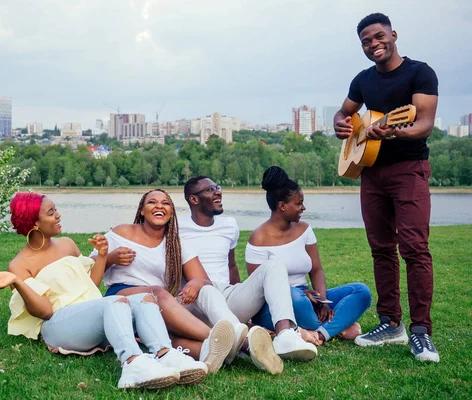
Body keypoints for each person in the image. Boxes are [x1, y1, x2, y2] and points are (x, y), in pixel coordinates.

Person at [0, 192, 207, 390]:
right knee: (114, 302)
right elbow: (45, 312)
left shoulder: (67, 243)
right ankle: (132, 364)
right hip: (58, 326)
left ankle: (166, 354)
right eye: (51, 213)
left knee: (144, 299)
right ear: (35, 223)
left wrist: (103, 255)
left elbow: (91, 285)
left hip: (89, 314)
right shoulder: (20, 264)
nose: (58, 215)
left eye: (56, 209)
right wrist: (18, 282)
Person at [333, 13, 439, 362]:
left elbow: (423, 125)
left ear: (393, 34)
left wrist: (392, 132)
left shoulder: (419, 73)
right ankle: (390, 323)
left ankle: (420, 331)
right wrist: (342, 126)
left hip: (409, 169)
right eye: (366, 41)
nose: (373, 44)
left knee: (414, 248)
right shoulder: (362, 81)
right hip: (370, 172)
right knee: (381, 248)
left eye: (379, 36)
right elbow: (343, 113)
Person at [90, 189, 282, 375]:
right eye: (152, 202)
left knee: (184, 321)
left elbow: (202, 279)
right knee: (157, 293)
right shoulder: (122, 232)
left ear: (171, 212)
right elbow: (89, 276)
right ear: (141, 210)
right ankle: (238, 342)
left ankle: (216, 348)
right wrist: (110, 257)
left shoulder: (175, 242)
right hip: (122, 299)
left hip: (158, 308)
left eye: (166, 203)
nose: (159, 206)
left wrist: (197, 284)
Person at [178, 176, 318, 361]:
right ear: (193, 199)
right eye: (210, 189)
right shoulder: (176, 226)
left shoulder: (229, 225)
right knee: (206, 291)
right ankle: (245, 343)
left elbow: (231, 265)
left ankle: (285, 335)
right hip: (193, 299)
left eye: (217, 187)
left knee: (273, 265)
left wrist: (242, 299)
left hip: (226, 294)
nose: (218, 192)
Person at [243, 167, 372, 345]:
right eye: (299, 203)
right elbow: (260, 288)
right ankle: (334, 328)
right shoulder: (258, 238)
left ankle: (317, 334)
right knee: (296, 298)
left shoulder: (304, 230)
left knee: (361, 291)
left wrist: (323, 301)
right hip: (276, 306)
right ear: (282, 206)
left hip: (310, 299)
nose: (303, 208)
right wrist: (303, 294)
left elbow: (317, 269)